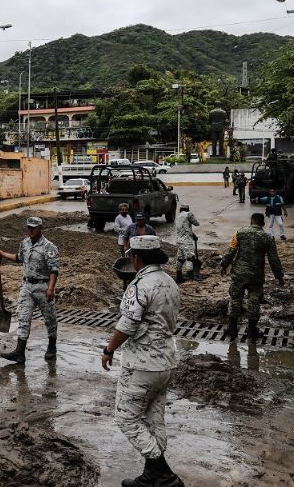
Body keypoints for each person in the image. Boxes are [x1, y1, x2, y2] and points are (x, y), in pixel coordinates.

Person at [101, 235, 183, 487]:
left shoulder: (140, 285)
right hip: (166, 361)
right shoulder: (169, 281)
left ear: (136, 258)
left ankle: (164, 475)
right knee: (153, 416)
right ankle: (151, 477)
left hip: (143, 363)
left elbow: (127, 324)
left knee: (126, 417)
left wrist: (109, 349)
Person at [0, 217, 60, 363]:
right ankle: (20, 352)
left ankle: (52, 346)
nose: (31, 230)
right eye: (29, 227)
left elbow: (54, 270)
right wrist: (3, 254)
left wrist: (51, 288)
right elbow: (19, 258)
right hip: (27, 286)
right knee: (23, 317)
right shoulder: (24, 243)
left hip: (43, 287)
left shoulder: (49, 247)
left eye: (34, 228)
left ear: (40, 228)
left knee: (49, 318)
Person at [220, 213, 285, 340]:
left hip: (239, 273)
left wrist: (224, 265)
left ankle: (232, 330)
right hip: (256, 275)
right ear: (263, 224)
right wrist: (279, 276)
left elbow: (231, 250)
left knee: (235, 299)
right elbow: (274, 259)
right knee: (254, 302)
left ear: (251, 221)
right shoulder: (267, 237)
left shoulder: (240, 233)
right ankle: (252, 331)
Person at [174, 205, 201, 283]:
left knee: (180, 258)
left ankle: (179, 276)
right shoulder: (188, 214)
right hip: (186, 241)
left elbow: (186, 229)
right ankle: (191, 277)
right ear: (187, 209)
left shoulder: (178, 217)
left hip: (179, 241)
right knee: (190, 258)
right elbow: (196, 223)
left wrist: (194, 236)